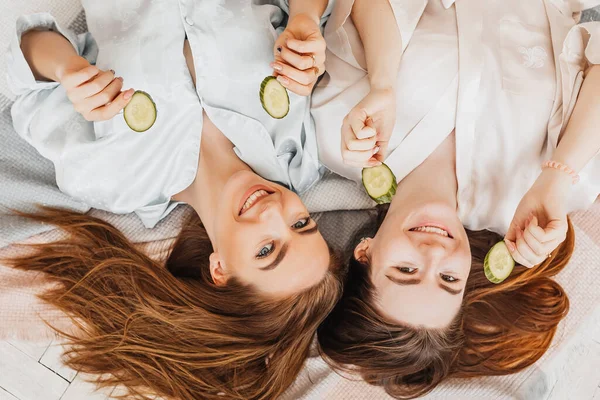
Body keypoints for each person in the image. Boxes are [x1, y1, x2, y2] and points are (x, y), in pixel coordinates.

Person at [5, 1, 345, 399]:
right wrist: (305, 21)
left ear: (219, 270)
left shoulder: (113, 178)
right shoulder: (301, 150)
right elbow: (318, 15)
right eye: (302, 224)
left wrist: (66, 69)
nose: (274, 213)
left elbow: (27, 54)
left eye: (267, 250)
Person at [312, 0, 600, 397]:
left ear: (366, 252)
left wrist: (383, 85)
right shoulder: (537, 199)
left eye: (406, 270)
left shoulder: (342, 139)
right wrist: (557, 175)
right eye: (449, 278)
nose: (433, 253)